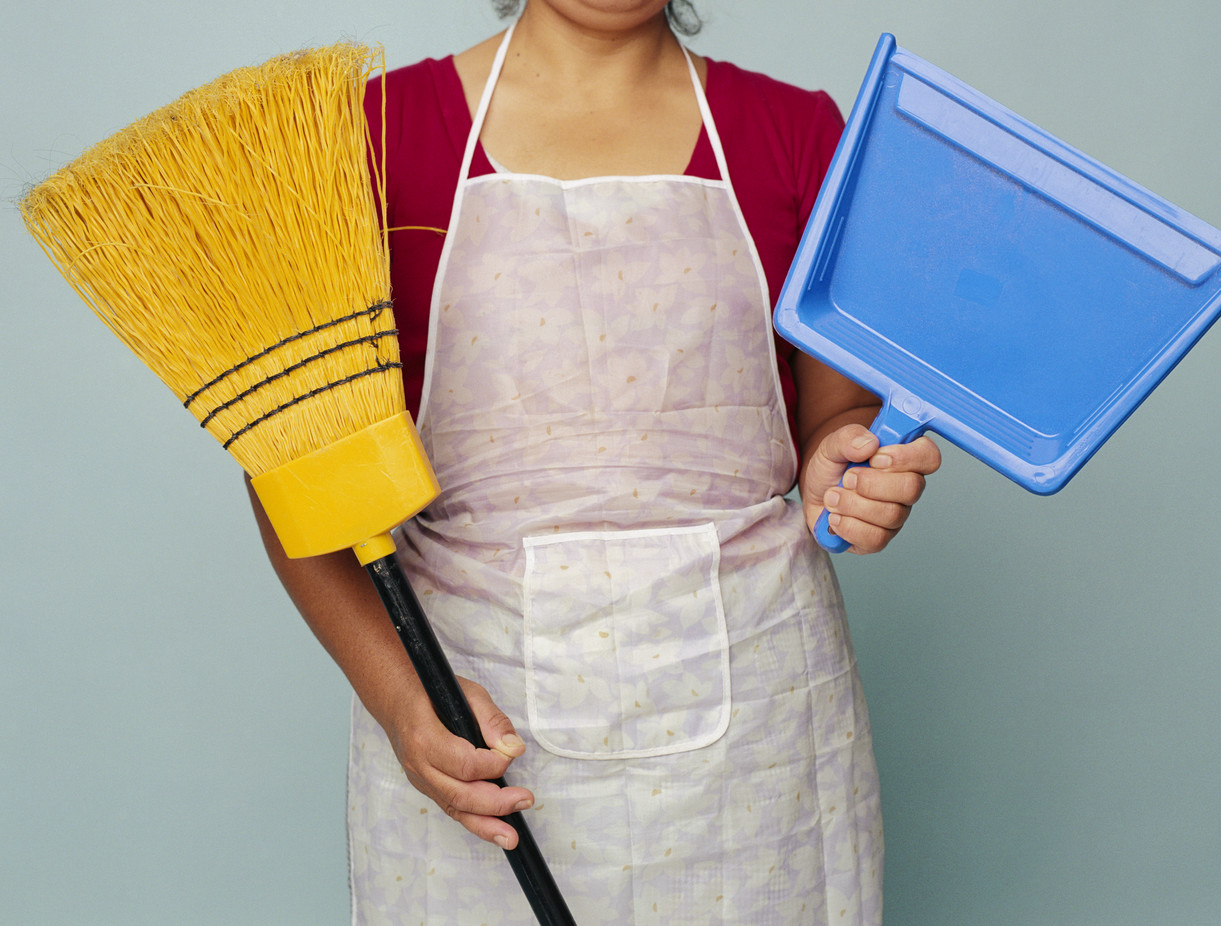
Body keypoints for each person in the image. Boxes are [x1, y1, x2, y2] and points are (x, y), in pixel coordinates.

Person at [249, 1, 941, 922]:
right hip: (472, 715)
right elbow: (293, 476)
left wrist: (846, 472)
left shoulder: (797, 136)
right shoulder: (369, 141)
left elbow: (834, 414)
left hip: (761, 741)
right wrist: (403, 703)